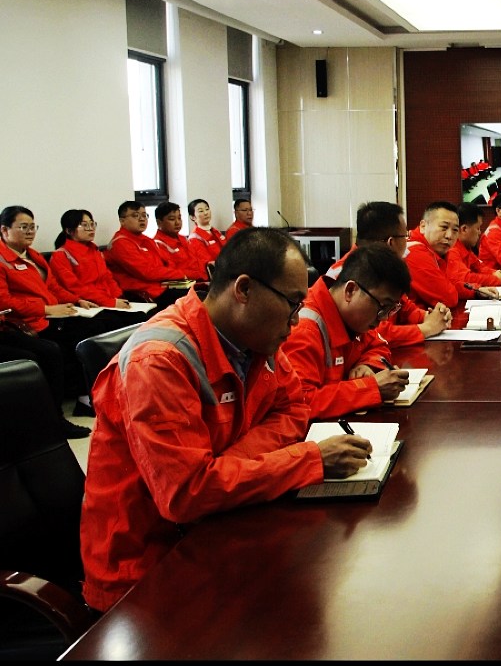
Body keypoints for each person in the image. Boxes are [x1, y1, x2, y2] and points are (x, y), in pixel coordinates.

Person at [80, 228, 374, 612]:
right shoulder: (159, 361)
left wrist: (229, 464)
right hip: (149, 572)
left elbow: (293, 408)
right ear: (244, 289)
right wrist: (309, 460)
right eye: (292, 303)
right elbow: (186, 494)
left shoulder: (256, 340)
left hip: (218, 524)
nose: (297, 320)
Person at [0, 204, 125, 417]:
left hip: (52, 314)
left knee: (100, 327)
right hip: (28, 321)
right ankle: (72, 405)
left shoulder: (33, 256)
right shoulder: (4, 260)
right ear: (4, 230)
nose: (30, 232)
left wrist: (77, 300)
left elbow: (54, 287)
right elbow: (5, 302)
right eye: (23, 227)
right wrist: (46, 309)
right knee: (74, 338)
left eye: (32, 227)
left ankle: (99, 393)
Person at [281, 244, 411, 419]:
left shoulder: (355, 318)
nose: (384, 318)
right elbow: (301, 403)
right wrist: (370, 389)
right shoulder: (304, 329)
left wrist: (367, 365)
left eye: (391, 309)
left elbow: (378, 345)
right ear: (350, 290)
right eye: (383, 307)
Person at [327, 201, 451, 350]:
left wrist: (432, 316)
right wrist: (426, 329)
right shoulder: (346, 274)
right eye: (405, 236)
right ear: (391, 242)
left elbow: (404, 308)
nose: (408, 241)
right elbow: (371, 333)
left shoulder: (384, 268)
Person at [104, 200, 193, 308]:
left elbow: (165, 263)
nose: (142, 219)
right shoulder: (120, 243)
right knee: (194, 300)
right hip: (143, 293)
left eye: (144, 215)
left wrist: (180, 274)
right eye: (135, 215)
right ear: (122, 221)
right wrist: (179, 274)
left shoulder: (147, 240)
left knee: (199, 294)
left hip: (163, 286)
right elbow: (147, 272)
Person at [49, 208, 130, 310]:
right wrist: (110, 302)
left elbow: (108, 278)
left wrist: (119, 296)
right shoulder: (61, 255)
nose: (91, 228)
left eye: (92, 224)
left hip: (108, 300)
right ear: (69, 231)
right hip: (87, 305)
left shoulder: (95, 251)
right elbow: (75, 288)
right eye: (85, 225)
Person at [405, 201, 469, 309]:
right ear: (423, 226)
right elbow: (449, 298)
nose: (449, 236)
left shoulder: (438, 251)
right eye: (444, 227)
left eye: (455, 230)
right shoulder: (414, 251)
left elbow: (450, 282)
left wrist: (476, 290)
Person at [448, 202, 501, 295]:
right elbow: (465, 279)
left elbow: (480, 267)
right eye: (478, 228)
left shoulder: (466, 248)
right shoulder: (452, 250)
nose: (479, 232)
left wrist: (497, 273)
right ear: (464, 229)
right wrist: (497, 279)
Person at [152, 201, 209, 282]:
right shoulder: (158, 245)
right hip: (184, 284)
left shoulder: (184, 239)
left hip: (201, 279)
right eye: (172, 219)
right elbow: (170, 272)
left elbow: (197, 262)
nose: (177, 222)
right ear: (159, 222)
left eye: (179, 218)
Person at [186, 198, 224, 267]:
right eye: (201, 211)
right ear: (192, 217)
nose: (206, 213)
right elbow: (207, 263)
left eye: (207, 209)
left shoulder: (216, 232)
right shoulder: (194, 238)